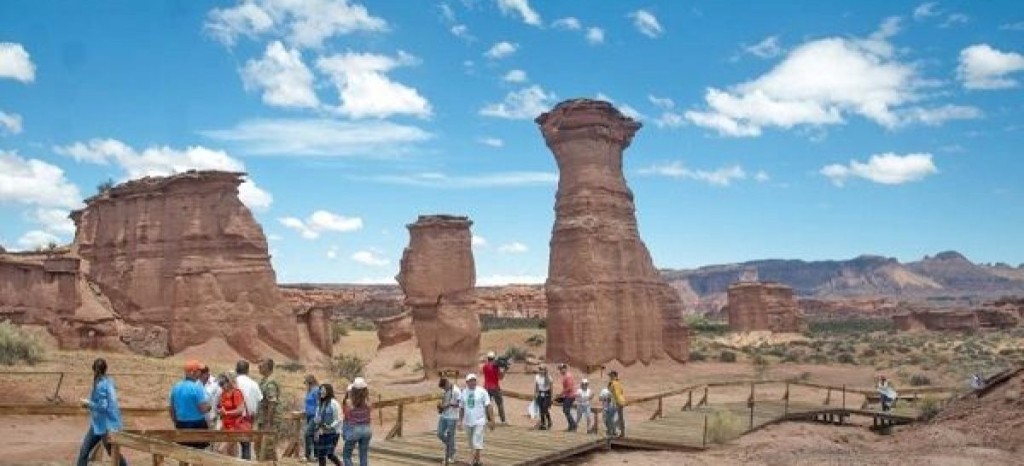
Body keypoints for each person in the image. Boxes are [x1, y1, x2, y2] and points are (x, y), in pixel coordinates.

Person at [75, 358, 127, 466]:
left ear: (94, 370)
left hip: (104, 425)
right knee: (88, 451)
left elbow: (103, 406)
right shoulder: (109, 382)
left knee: (90, 451)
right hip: (102, 424)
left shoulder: (100, 385)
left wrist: (88, 404)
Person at [168, 360, 211, 449]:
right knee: (199, 454)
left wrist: (176, 421)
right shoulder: (197, 388)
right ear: (193, 372)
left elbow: (171, 409)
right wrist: (209, 407)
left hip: (181, 423)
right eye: (199, 370)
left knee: (183, 452)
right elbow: (202, 409)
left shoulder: (176, 387)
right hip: (197, 424)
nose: (200, 373)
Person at [458, 373, 494, 466]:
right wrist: (460, 421)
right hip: (468, 421)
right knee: (471, 443)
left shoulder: (482, 391)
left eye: (474, 380)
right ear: (467, 382)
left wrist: (491, 420)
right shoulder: (464, 393)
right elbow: (461, 408)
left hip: (479, 421)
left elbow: (488, 406)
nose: (473, 382)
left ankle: (471, 460)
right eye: (470, 381)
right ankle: (477, 461)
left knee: (476, 440)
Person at [235, 360, 263, 460]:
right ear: (247, 370)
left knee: (230, 446)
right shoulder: (254, 384)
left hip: (231, 418)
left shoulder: (232, 382)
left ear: (236, 369)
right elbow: (260, 400)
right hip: (247, 419)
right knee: (246, 446)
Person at [342, 377, 372, 466]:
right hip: (367, 429)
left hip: (354, 429)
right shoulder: (368, 401)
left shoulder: (349, 402)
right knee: (363, 455)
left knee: (347, 455)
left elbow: (347, 415)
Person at [217, 372, 248, 459]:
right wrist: (220, 411)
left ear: (229, 382)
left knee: (220, 450)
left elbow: (240, 410)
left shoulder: (236, 393)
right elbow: (221, 407)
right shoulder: (223, 393)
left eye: (222, 384)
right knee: (231, 452)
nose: (221, 386)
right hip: (225, 425)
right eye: (220, 384)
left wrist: (227, 413)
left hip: (234, 426)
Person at [313, 384, 343, 466]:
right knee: (321, 455)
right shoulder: (320, 403)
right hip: (321, 432)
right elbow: (317, 416)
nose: (321, 391)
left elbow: (339, 418)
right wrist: (316, 421)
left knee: (330, 454)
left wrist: (330, 426)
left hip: (333, 433)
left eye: (324, 390)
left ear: (328, 391)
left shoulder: (334, 403)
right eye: (321, 390)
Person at [257, 358, 281, 460]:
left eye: (261, 365)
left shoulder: (270, 383)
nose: (259, 367)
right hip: (263, 419)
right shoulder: (264, 381)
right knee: (262, 446)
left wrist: (269, 422)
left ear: (268, 367)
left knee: (268, 448)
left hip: (269, 421)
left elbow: (272, 403)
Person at [436, 377, 461, 464]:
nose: (443, 389)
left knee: (451, 436)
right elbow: (443, 400)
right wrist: (440, 406)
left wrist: (450, 404)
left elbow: (460, 403)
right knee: (439, 433)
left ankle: (451, 456)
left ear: (447, 383)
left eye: (444, 387)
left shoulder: (456, 391)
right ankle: (452, 447)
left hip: (453, 417)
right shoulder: (444, 391)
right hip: (444, 415)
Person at [481, 351, 507, 424]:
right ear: (494, 358)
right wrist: (504, 370)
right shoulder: (496, 367)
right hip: (495, 387)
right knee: (500, 404)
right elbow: (500, 377)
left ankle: (489, 420)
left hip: (486, 387)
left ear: (488, 358)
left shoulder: (485, 366)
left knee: (487, 403)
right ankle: (503, 420)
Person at [199, 365, 222, 435]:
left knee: (211, 440)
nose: (199, 377)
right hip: (199, 418)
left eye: (200, 375)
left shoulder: (215, 383)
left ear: (206, 374)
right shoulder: (196, 382)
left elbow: (220, 399)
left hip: (211, 418)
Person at [303, 375, 321, 462]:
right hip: (309, 415)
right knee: (313, 435)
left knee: (307, 433)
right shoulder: (309, 391)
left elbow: (318, 403)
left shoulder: (316, 390)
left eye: (306, 383)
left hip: (315, 416)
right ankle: (314, 456)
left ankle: (308, 455)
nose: (305, 385)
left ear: (310, 382)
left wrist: (318, 416)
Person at [557, 363, 578, 432]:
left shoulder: (568, 376)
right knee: (566, 410)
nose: (560, 371)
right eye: (560, 369)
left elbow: (569, 388)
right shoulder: (566, 376)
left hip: (570, 396)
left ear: (565, 369)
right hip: (569, 395)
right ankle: (571, 426)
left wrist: (561, 394)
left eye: (561, 369)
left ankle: (573, 426)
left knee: (566, 410)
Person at [533, 365, 553, 430]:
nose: (541, 371)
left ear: (545, 370)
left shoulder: (549, 378)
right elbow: (536, 387)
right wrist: (535, 394)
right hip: (540, 394)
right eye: (540, 369)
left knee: (545, 408)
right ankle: (543, 423)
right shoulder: (537, 377)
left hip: (547, 395)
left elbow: (551, 388)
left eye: (542, 370)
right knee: (541, 409)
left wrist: (551, 397)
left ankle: (549, 420)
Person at [608, 371, 626, 437]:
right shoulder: (619, 382)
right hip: (622, 400)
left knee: (620, 417)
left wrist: (609, 384)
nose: (610, 377)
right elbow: (621, 391)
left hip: (618, 401)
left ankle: (622, 433)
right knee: (620, 417)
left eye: (610, 376)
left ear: (613, 376)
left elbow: (610, 390)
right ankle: (622, 432)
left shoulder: (613, 383)